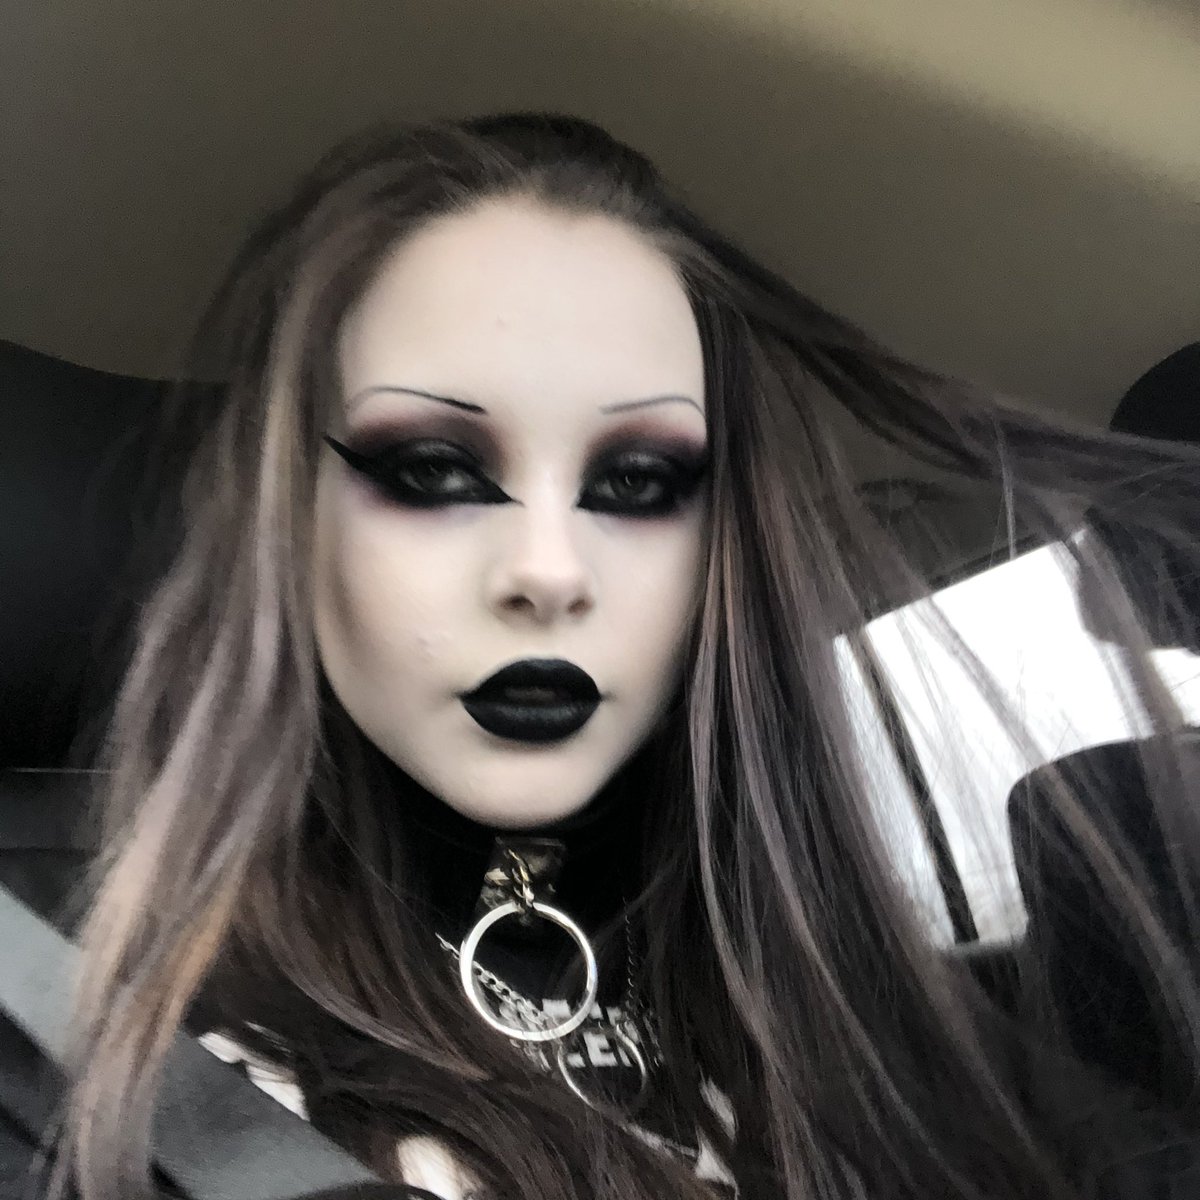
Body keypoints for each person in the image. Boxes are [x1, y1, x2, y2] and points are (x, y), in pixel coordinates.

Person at [47, 113, 1200, 1200]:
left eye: (638, 482)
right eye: (434, 470)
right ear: (288, 527)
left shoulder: (877, 1022)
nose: (549, 570)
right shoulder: (103, 1061)